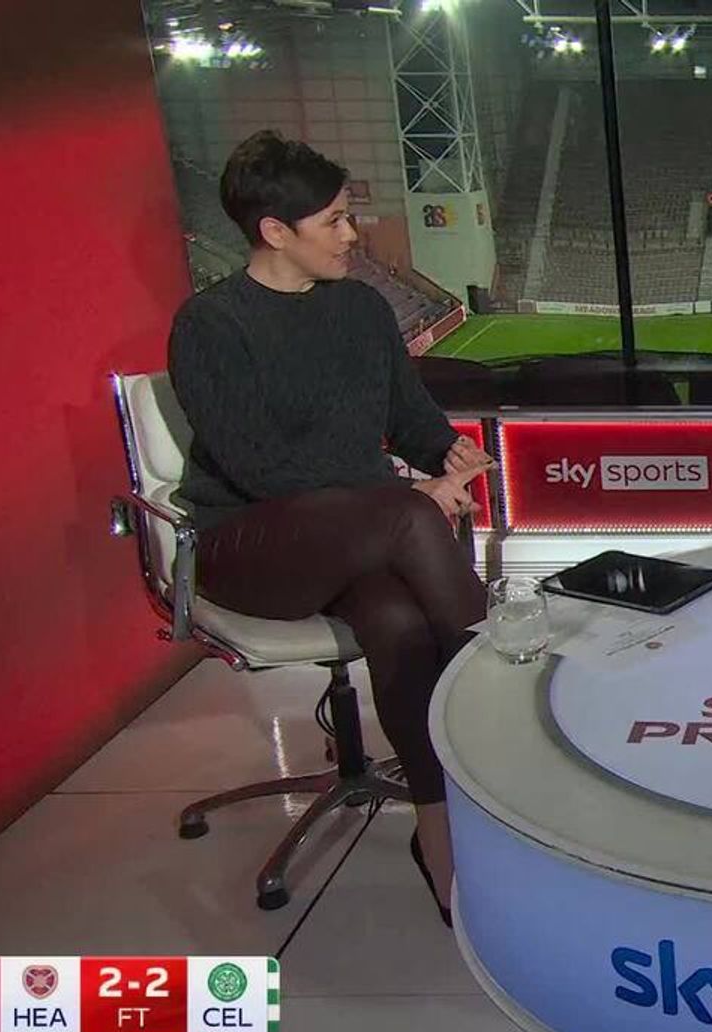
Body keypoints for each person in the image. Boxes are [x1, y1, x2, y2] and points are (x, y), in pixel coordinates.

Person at [167, 130, 488, 926]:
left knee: (398, 621)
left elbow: (409, 418)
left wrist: (446, 453)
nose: (353, 235)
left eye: (349, 216)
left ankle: (440, 834)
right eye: (335, 220)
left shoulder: (361, 309)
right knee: (407, 513)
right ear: (275, 231)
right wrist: (408, 494)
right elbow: (260, 469)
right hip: (250, 543)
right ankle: (503, 698)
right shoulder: (211, 324)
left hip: (357, 534)